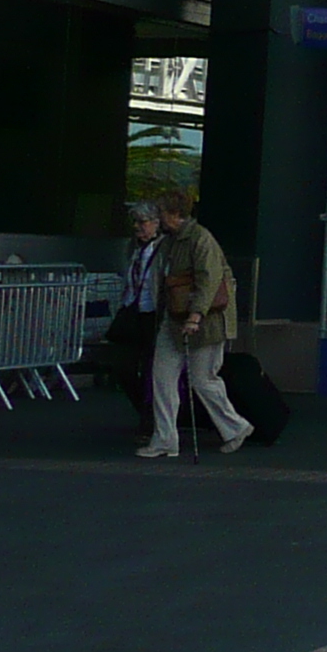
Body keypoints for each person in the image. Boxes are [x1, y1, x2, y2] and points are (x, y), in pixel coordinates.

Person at [144, 187, 250, 457]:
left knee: (203, 379)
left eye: (161, 214)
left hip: (204, 321)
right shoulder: (171, 241)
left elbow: (209, 280)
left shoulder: (200, 239)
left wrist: (195, 316)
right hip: (175, 319)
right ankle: (165, 438)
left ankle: (235, 426)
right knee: (163, 378)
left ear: (175, 214)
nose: (158, 219)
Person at [111, 203, 165, 438]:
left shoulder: (164, 249)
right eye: (136, 222)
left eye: (142, 222)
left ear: (155, 224)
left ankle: (150, 417)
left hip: (152, 313)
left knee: (153, 369)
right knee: (123, 365)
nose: (137, 227)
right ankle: (144, 410)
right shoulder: (132, 248)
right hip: (133, 311)